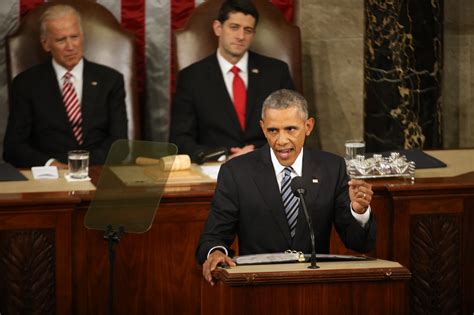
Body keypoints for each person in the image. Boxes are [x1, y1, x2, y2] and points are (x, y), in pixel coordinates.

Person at [196, 89, 376, 285]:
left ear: (308, 126)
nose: (281, 140)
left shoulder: (332, 168)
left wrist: (359, 212)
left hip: (315, 287)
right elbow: (214, 236)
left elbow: (359, 243)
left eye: (290, 129)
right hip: (258, 287)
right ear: (263, 128)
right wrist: (215, 253)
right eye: (273, 130)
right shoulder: (237, 172)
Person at [3, 4, 127, 168]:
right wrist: (50, 164)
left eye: (74, 37)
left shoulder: (111, 80)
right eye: (61, 40)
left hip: (98, 170)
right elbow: (13, 147)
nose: (70, 46)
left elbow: (119, 144)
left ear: (82, 37)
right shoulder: (26, 84)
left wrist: (81, 165)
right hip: (49, 177)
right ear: (46, 44)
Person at [170, 0, 295, 162]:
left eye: (248, 30)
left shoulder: (277, 72)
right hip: (215, 168)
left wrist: (260, 154)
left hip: (268, 165)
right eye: (234, 27)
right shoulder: (191, 77)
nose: (241, 36)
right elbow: (180, 139)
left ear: (253, 35)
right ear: (218, 28)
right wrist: (224, 156)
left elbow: (293, 128)